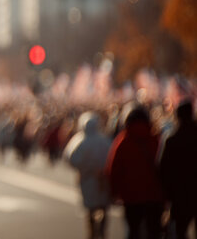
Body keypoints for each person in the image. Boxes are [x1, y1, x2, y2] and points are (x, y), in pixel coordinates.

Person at [105, 104, 164, 239]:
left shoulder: (123, 141)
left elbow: (114, 169)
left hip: (131, 196)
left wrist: (114, 192)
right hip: (154, 194)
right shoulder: (155, 139)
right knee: (154, 232)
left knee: (133, 231)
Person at [64, 112, 112, 239]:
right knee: (103, 205)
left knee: (91, 207)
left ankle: (92, 232)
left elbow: (70, 158)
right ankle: (101, 231)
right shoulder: (104, 140)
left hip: (88, 178)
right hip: (100, 178)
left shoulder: (80, 140)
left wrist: (85, 167)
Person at [159, 100, 197, 239]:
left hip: (179, 194)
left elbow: (162, 168)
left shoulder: (172, 139)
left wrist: (167, 193)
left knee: (180, 231)